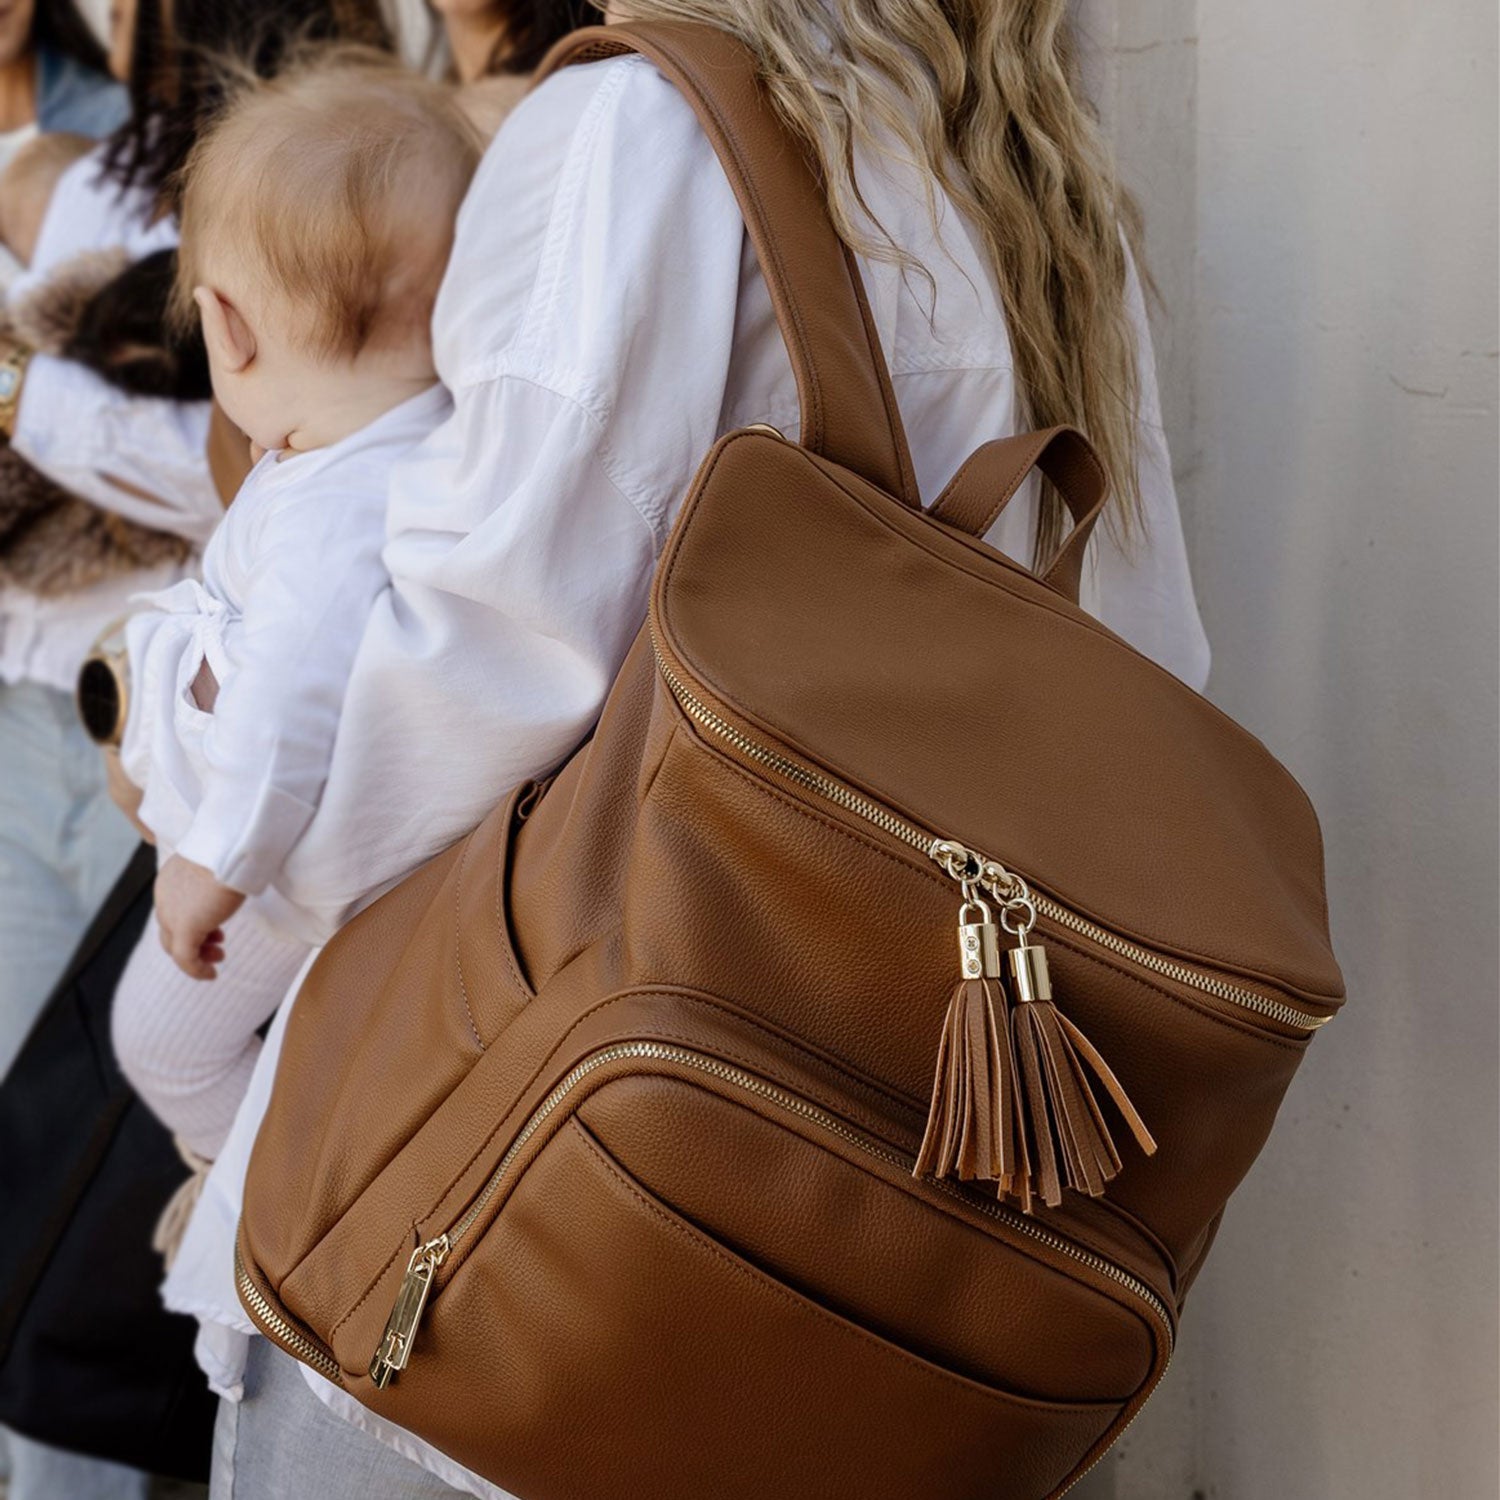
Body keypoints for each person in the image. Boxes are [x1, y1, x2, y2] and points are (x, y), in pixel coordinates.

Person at [173, 2, 1211, 1496]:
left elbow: (468, 681)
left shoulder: (639, 131)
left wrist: (221, 839)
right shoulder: (1014, 154)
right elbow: (1151, 659)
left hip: (534, 1222)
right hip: (889, 1226)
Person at [109, 51, 480, 1214]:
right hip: (276, 847)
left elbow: (288, 704)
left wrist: (210, 870)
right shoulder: (401, 446)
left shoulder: (331, 510)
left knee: (157, 1044)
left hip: (265, 870)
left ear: (226, 327)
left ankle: (267, 1206)